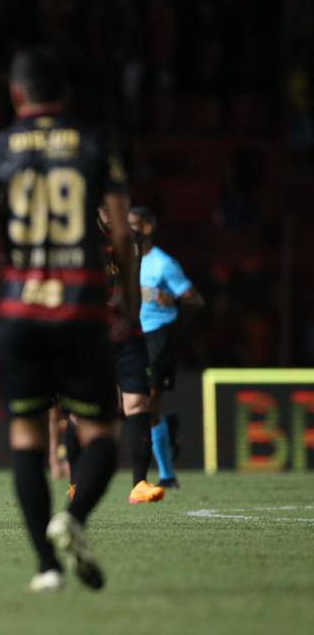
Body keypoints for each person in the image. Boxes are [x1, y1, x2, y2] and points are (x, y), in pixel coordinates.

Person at [0, 48, 136, 592]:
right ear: (67, 93)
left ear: (16, 94)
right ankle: (72, 521)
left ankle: (46, 567)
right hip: (82, 309)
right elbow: (123, 233)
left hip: (18, 314)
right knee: (103, 434)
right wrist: (125, 294)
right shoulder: (97, 143)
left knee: (27, 440)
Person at [57, 207, 164, 505]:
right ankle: (76, 482)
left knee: (138, 402)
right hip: (87, 337)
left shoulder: (129, 240)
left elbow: (131, 280)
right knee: (81, 411)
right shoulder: (77, 241)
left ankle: (139, 483)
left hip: (126, 334)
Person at [129, 206, 204, 489]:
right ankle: (167, 431)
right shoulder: (122, 259)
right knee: (135, 406)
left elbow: (195, 298)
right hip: (130, 337)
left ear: (147, 228)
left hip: (157, 336)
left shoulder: (163, 264)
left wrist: (172, 301)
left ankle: (166, 475)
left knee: (148, 402)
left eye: (133, 224)